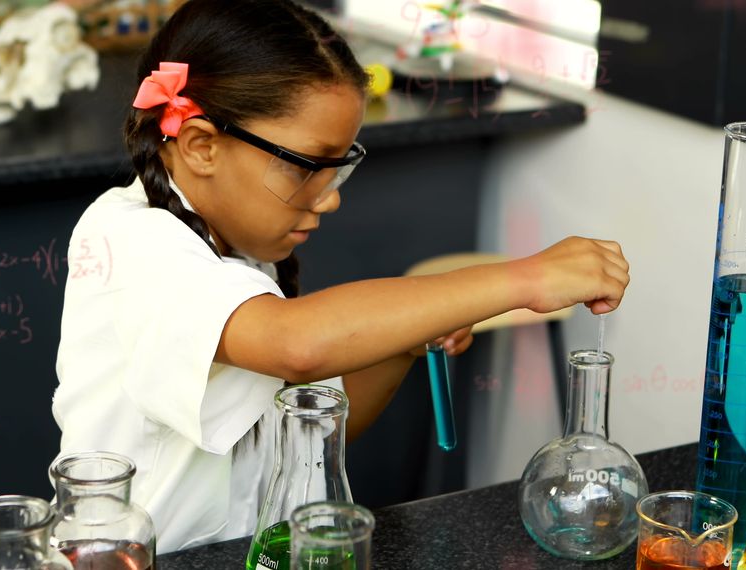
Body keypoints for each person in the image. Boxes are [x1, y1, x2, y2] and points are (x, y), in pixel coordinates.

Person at [52, 0, 630, 554]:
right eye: (309, 166)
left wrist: (406, 343)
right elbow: (296, 344)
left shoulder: (238, 251)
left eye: (339, 168)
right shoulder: (131, 242)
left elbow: (309, 436)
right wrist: (523, 279)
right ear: (202, 145)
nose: (327, 201)